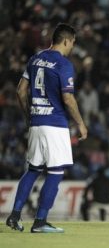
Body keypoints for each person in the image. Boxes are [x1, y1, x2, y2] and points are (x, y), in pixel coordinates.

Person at [6, 23, 87, 233]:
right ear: (67, 40)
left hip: (36, 122)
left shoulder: (36, 59)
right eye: (72, 43)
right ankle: (40, 221)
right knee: (55, 172)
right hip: (55, 123)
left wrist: (28, 116)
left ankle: (14, 215)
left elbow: (20, 90)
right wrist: (80, 123)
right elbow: (68, 99)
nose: (72, 48)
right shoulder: (64, 64)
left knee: (33, 169)